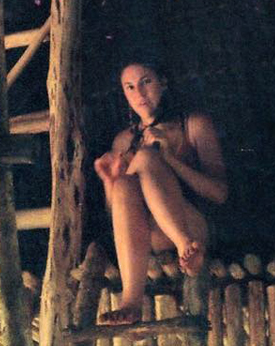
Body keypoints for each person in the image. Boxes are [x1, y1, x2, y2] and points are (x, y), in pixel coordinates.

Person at [94, 61, 228, 324]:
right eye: (130, 87)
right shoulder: (123, 141)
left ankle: (184, 246)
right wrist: (108, 182)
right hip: (148, 237)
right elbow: (118, 214)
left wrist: (170, 159)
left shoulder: (194, 125)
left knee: (145, 159)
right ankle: (131, 301)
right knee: (123, 184)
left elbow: (220, 194)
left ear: (163, 83)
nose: (140, 93)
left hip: (193, 229)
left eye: (146, 82)